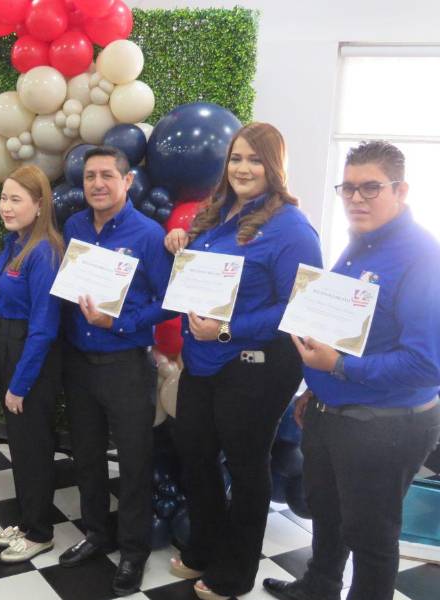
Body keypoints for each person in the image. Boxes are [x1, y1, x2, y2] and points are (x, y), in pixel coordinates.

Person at [263, 141, 440, 600]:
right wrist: (315, 389)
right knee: (328, 514)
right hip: (331, 412)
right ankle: (319, 588)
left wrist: (337, 366)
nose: (356, 198)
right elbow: (342, 330)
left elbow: (427, 364)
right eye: (348, 188)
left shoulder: (424, 257)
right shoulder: (359, 244)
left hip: (387, 425)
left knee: (372, 537)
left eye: (371, 188)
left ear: (401, 190)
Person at [163, 122, 322, 600]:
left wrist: (228, 328)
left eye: (255, 159)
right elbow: (205, 279)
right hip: (204, 359)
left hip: (256, 363)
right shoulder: (215, 214)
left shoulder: (292, 227)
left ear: (274, 168)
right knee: (193, 454)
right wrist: (180, 245)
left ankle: (234, 573)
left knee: (248, 466)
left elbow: (302, 303)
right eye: (236, 158)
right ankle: (204, 549)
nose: (244, 168)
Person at [58, 146, 174, 596]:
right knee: (85, 455)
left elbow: (169, 301)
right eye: (90, 176)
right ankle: (95, 533)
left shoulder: (148, 234)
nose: (98, 184)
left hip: (126, 364)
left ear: (127, 182)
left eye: (108, 175)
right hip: (79, 363)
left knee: (134, 462)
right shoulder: (74, 227)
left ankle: (133, 552)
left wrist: (119, 321)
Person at [0, 165, 64, 562]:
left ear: (39, 205)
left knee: (33, 446)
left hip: (29, 357)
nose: (5, 206)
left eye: (16, 199)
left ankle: (39, 532)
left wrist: (20, 383)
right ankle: (27, 517)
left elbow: (44, 328)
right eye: (4, 197)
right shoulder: (12, 243)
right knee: (20, 443)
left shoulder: (45, 252)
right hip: (7, 348)